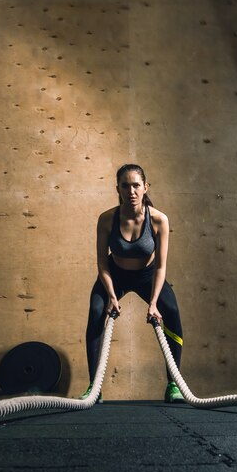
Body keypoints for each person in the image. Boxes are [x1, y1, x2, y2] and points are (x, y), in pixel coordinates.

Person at [80, 164, 184, 403]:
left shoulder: (159, 220)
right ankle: (93, 388)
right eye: (125, 185)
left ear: (145, 187)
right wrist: (111, 297)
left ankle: (174, 384)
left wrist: (154, 303)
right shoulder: (106, 219)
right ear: (117, 188)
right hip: (114, 274)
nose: (131, 191)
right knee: (96, 311)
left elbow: (160, 266)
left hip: (148, 275)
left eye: (136, 185)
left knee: (172, 311)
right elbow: (102, 264)